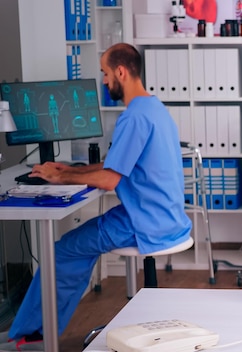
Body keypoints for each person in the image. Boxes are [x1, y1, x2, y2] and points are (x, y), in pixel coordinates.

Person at [0, 43, 192, 351]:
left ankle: (31, 337)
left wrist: (59, 176)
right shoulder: (153, 108)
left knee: (62, 252)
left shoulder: (133, 118)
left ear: (120, 71)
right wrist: (67, 168)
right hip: (164, 216)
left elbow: (108, 179)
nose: (103, 81)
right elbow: (114, 164)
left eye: (104, 73)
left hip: (142, 222)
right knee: (75, 247)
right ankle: (34, 330)